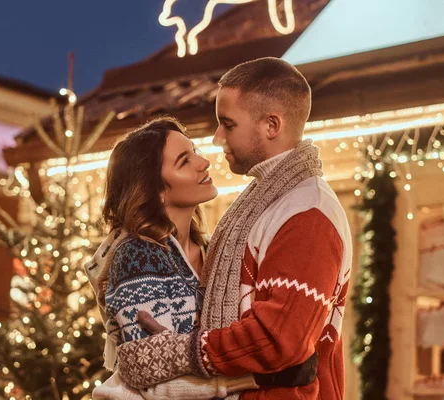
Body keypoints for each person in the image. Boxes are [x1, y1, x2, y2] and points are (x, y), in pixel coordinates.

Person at [116, 58, 353, 400]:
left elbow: (279, 337)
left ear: (272, 125)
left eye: (228, 124)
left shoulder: (307, 213)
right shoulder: (263, 205)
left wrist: (182, 352)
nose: (217, 139)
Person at [85, 116, 318, 399]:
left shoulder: (213, 250)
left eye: (194, 151)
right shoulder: (139, 258)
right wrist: (256, 378)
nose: (203, 162)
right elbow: (151, 385)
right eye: (184, 161)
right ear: (156, 191)